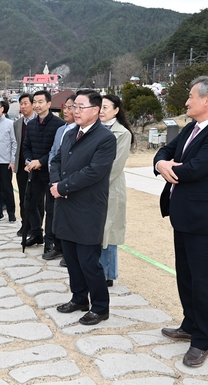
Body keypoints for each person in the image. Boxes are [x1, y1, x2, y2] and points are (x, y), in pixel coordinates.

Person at [154, 76, 208, 368]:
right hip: (184, 217)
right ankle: (190, 323)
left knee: (202, 282)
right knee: (186, 276)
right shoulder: (192, 128)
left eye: (191, 96)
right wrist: (162, 163)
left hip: (206, 221)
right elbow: (165, 151)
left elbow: (194, 170)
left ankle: (202, 341)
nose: (186, 101)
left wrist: (169, 166)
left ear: (207, 100)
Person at [50, 90, 115, 326]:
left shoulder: (105, 138)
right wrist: (56, 184)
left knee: (89, 260)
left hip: (87, 208)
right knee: (71, 258)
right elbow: (56, 160)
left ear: (95, 111)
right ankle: (79, 298)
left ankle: (100, 306)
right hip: (66, 205)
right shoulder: (70, 134)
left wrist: (63, 186)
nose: (74, 111)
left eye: (80, 107)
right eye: (73, 107)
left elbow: (94, 172)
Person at [98, 94, 135, 286]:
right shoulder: (94, 129)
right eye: (100, 107)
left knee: (109, 230)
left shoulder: (123, 133)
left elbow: (116, 165)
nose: (101, 111)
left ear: (116, 109)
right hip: (95, 187)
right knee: (97, 229)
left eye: (105, 107)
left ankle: (108, 274)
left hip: (111, 187)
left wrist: (93, 181)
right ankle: (98, 270)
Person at [22, 90, 65, 250]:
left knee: (50, 208)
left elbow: (57, 151)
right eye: (35, 102)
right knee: (29, 203)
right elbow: (26, 146)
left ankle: (50, 240)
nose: (37, 105)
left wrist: (40, 161)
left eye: (41, 102)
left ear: (48, 104)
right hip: (34, 171)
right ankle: (36, 233)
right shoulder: (31, 124)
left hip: (51, 172)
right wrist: (29, 160)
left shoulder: (59, 124)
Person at [45, 94, 77, 262]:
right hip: (55, 177)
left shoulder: (79, 131)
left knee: (69, 215)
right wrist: (52, 169)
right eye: (65, 107)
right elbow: (53, 152)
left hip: (69, 179)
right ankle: (57, 246)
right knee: (54, 213)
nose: (66, 110)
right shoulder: (60, 130)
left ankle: (68, 251)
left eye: (70, 107)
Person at [13, 93, 41, 237]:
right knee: (23, 197)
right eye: (21, 104)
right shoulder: (17, 123)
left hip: (37, 166)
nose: (23, 107)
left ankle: (36, 228)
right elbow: (15, 145)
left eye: (25, 103)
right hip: (21, 166)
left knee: (36, 199)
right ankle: (25, 225)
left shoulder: (39, 121)